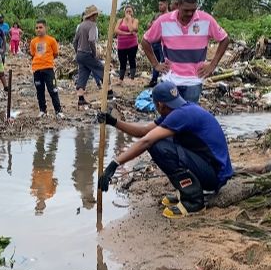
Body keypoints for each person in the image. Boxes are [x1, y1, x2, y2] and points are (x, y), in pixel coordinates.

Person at [97, 81, 233, 219]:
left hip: (214, 176)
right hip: (212, 169)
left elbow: (146, 141)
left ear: (159, 105)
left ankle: (193, 201)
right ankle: (186, 190)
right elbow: (143, 131)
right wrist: (113, 122)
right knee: (159, 141)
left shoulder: (180, 115)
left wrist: (115, 163)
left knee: (156, 145)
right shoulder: (181, 109)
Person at [141, 0, 230, 102]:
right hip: (170, 80)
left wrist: (212, 65)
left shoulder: (206, 20)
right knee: (168, 117)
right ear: (178, 5)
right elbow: (145, 41)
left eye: (193, 10)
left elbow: (225, 39)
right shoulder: (163, 21)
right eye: (186, 10)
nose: (189, 14)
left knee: (189, 117)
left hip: (193, 81)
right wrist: (155, 64)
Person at [73, 5, 112, 106]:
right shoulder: (92, 26)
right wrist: (94, 53)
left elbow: (75, 41)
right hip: (87, 53)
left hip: (80, 54)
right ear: (93, 15)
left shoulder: (81, 25)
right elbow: (91, 40)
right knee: (103, 70)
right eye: (96, 14)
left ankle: (81, 98)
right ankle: (109, 92)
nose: (97, 16)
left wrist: (77, 52)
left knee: (83, 74)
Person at [29, 19, 63, 118]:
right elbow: (32, 54)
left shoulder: (51, 40)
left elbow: (56, 54)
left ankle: (58, 111)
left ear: (45, 28)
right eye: (36, 28)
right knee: (39, 91)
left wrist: (47, 60)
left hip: (48, 69)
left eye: (40, 27)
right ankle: (42, 110)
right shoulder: (33, 41)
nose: (38, 30)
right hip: (37, 70)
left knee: (53, 90)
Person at [146, 0, 171, 88]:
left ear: (166, 4)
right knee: (155, 62)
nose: (159, 6)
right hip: (154, 42)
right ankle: (154, 80)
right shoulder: (156, 15)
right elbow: (149, 26)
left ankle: (166, 80)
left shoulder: (170, 15)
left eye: (161, 4)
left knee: (164, 62)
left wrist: (155, 24)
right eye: (159, 4)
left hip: (163, 43)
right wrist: (152, 24)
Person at [114, 5, 139, 86]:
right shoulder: (120, 20)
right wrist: (127, 33)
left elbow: (132, 29)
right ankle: (121, 80)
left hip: (132, 44)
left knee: (132, 60)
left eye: (130, 11)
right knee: (122, 61)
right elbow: (116, 30)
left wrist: (129, 20)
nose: (128, 13)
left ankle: (132, 79)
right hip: (121, 45)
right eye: (127, 11)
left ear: (132, 12)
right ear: (124, 12)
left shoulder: (135, 20)